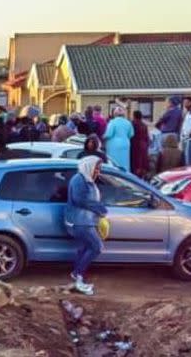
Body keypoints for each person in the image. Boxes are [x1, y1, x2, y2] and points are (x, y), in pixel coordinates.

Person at [65, 156, 107, 296]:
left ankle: (77, 275)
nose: (98, 171)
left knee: (85, 248)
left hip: (86, 221)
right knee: (97, 247)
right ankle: (79, 277)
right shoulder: (79, 179)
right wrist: (100, 209)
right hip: (80, 221)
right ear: (89, 166)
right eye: (97, 167)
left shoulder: (87, 179)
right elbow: (80, 199)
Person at [103, 106, 134, 172]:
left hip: (113, 145)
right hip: (125, 143)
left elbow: (109, 134)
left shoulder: (112, 122)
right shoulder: (128, 123)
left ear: (115, 114)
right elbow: (131, 134)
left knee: (114, 162)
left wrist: (103, 136)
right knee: (125, 161)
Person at [130, 111, 150, 178]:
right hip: (143, 146)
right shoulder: (144, 125)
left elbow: (131, 135)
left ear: (134, 116)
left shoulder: (132, 124)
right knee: (142, 163)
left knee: (135, 163)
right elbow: (147, 137)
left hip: (135, 146)